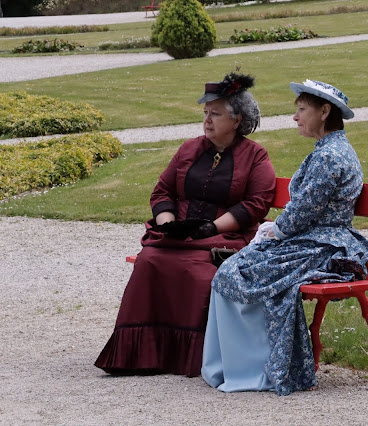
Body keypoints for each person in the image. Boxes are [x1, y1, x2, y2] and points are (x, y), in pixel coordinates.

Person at [94, 72, 276, 377]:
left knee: (199, 274)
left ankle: (190, 358)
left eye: (215, 114)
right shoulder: (189, 149)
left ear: (237, 120)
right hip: (177, 237)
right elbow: (162, 191)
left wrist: (211, 228)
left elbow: (256, 204)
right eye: (205, 113)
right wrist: (167, 224)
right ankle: (143, 356)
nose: (207, 120)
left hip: (223, 238)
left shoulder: (255, 156)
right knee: (149, 261)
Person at [201, 79, 368, 396]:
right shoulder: (328, 151)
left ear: (324, 111)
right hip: (311, 240)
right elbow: (304, 210)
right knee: (232, 270)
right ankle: (243, 365)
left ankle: (262, 368)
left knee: (236, 272)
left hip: (323, 245)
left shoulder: (330, 156)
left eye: (302, 109)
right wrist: (275, 231)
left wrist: (274, 230)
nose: (295, 117)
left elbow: (304, 211)